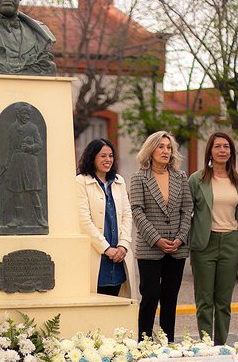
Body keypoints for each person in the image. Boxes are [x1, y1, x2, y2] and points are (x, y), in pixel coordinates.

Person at [130, 131, 193, 342]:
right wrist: (157, 239)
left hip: (177, 248)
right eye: (161, 146)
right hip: (150, 248)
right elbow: (137, 211)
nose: (166, 151)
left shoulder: (180, 177)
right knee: (150, 297)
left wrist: (181, 237)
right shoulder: (139, 177)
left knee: (170, 299)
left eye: (169, 147)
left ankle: (168, 344)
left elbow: (187, 209)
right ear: (151, 150)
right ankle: (144, 344)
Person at [188, 132, 238, 345]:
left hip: (230, 242)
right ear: (210, 151)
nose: (222, 150)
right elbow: (187, 213)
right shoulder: (198, 179)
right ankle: (205, 345)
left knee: (223, 300)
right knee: (204, 300)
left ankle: (220, 346)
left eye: (226, 147)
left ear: (231, 152)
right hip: (205, 243)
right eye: (217, 146)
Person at [75, 138, 136, 298]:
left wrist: (123, 246)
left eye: (110, 156)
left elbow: (127, 215)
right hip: (97, 255)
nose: (108, 160)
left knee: (116, 304)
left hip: (119, 256)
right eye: (103, 156)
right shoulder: (81, 182)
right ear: (92, 157)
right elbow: (84, 221)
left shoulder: (119, 181)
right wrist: (107, 249)